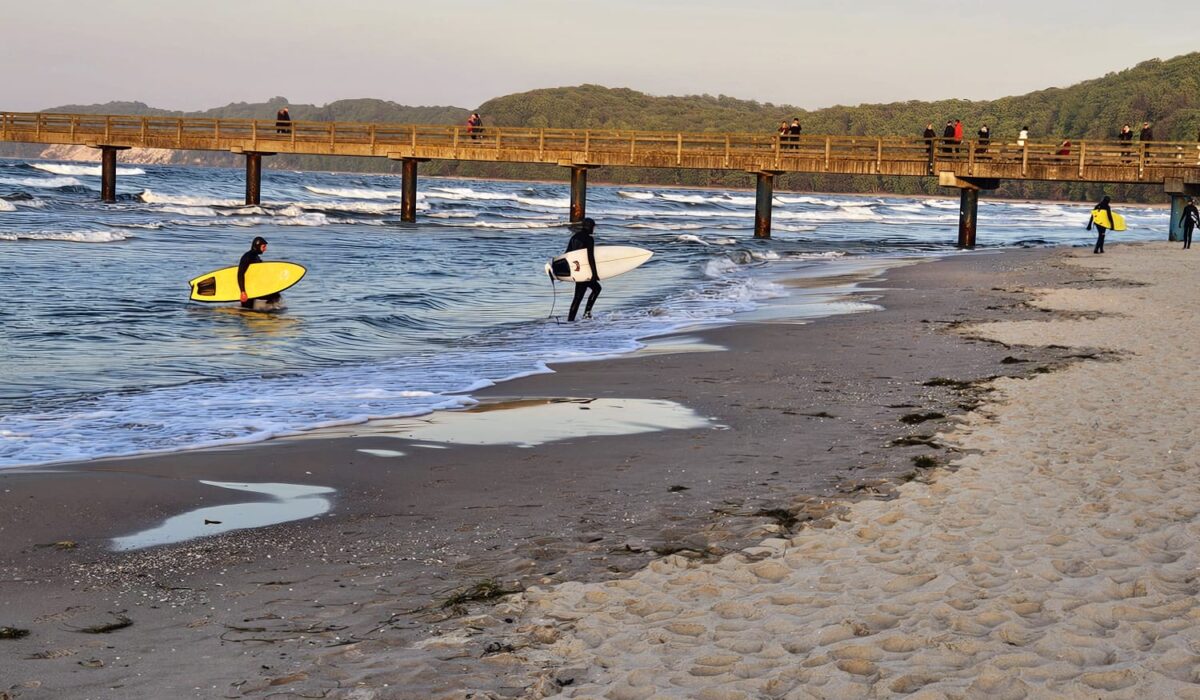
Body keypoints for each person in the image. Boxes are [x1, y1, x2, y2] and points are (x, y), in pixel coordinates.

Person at [565, 218, 601, 321]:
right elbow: (590, 257)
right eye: (593, 227)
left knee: (578, 297)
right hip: (584, 271)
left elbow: (567, 254)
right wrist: (594, 274)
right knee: (595, 289)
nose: (593, 229)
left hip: (576, 270)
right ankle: (585, 314)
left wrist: (568, 271)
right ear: (589, 227)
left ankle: (571, 320)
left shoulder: (574, 237)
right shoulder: (589, 239)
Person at [238, 236, 281, 309]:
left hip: (254, 287)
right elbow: (240, 274)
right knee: (246, 311)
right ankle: (267, 310)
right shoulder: (247, 256)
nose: (265, 249)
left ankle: (268, 310)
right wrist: (243, 292)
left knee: (275, 295)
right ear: (257, 246)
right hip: (247, 290)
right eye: (263, 247)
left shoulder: (256, 257)